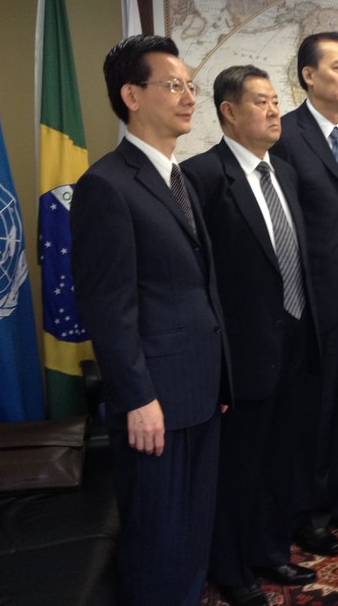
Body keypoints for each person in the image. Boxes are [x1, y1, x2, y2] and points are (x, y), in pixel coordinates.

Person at [69, 34, 231, 604]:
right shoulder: (105, 185)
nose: (189, 97)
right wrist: (137, 398)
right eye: (173, 85)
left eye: (190, 85)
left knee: (192, 532)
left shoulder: (178, 177)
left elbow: (198, 287)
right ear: (132, 95)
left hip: (200, 390)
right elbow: (108, 307)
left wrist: (221, 378)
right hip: (155, 401)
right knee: (158, 539)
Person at [182, 66, 317, 605]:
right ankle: (232, 570)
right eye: (261, 101)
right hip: (242, 354)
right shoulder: (201, 176)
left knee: (281, 458)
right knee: (240, 468)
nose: (274, 110)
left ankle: (270, 552)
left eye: (276, 100)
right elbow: (200, 277)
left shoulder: (284, 172)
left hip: (294, 339)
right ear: (229, 111)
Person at [270, 32, 338, 556]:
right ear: (308, 76)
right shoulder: (285, 135)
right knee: (311, 411)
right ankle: (304, 514)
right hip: (310, 301)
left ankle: (335, 501)